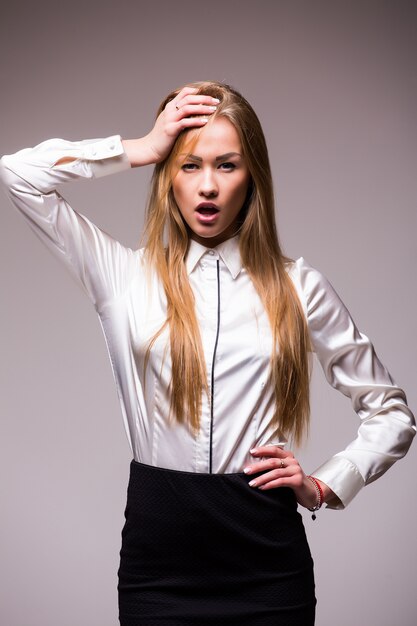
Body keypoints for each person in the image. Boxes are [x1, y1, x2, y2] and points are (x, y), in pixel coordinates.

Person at [1, 81, 415, 626]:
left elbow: (391, 412)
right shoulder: (124, 277)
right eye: (189, 165)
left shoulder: (300, 288)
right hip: (159, 565)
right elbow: (19, 174)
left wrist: (326, 485)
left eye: (227, 165)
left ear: (253, 177)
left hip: (267, 562)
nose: (208, 187)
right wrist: (142, 148)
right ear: (167, 176)